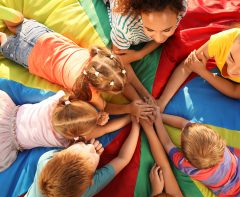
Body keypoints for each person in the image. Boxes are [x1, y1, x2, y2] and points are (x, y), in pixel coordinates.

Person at [0, 6, 154, 119]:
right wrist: (129, 108)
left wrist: (139, 56)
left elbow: (119, 65)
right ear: (99, 88)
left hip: (40, 36)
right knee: (4, 43)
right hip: (29, 57)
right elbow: (105, 107)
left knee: (17, 24)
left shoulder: (97, 56)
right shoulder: (86, 90)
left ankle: (12, 19)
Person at [0, 90, 131, 172]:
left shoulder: (58, 101)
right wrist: (130, 117)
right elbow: (107, 129)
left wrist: (96, 117)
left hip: (6, 115)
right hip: (8, 140)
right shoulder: (64, 139)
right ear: (76, 135)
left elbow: (77, 106)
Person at [23, 117, 140, 197]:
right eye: (93, 157)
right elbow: (122, 159)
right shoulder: (84, 191)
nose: (90, 147)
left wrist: (89, 158)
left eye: (83, 145)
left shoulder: (46, 160)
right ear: (91, 180)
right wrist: (136, 125)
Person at [104, 0, 187, 102]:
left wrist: (140, 54)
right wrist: (146, 95)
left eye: (166, 30)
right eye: (150, 30)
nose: (159, 39)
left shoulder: (181, 7)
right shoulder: (124, 27)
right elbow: (119, 60)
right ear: (139, 13)